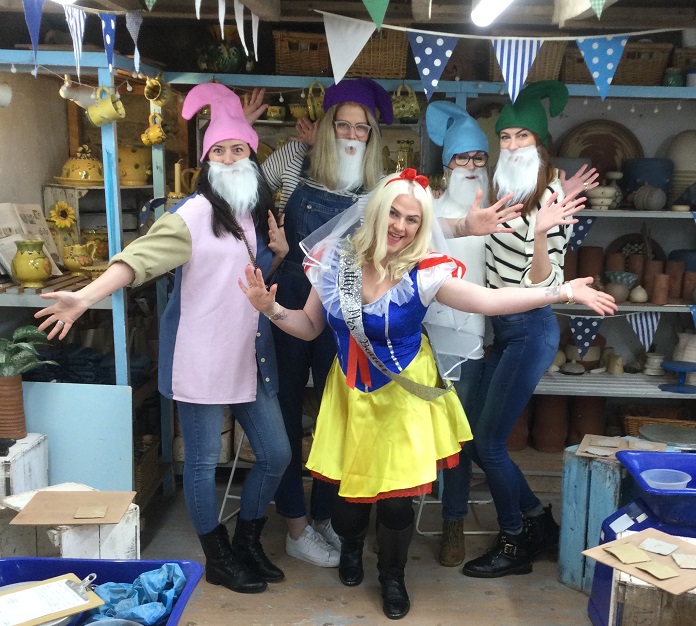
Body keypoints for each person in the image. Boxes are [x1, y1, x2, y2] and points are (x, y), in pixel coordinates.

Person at [239, 168, 616, 619]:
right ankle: (354, 547)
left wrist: (563, 292)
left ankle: (393, 576)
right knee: (347, 507)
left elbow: (489, 301)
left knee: (398, 505)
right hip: (350, 396)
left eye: (413, 219)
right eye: (393, 214)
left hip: (403, 395)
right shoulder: (335, 261)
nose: (400, 226)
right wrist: (273, 309)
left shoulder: (424, 273)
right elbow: (309, 327)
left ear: (422, 226)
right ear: (376, 214)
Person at [34, 83, 292, 595]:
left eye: (237, 148)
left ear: (251, 152)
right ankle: (216, 556)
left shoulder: (252, 209)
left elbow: (245, 278)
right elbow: (138, 259)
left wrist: (279, 253)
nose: (229, 157)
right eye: (218, 150)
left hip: (249, 354)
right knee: (200, 461)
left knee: (277, 453)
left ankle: (247, 542)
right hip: (201, 354)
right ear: (207, 161)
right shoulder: (193, 214)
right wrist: (86, 295)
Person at [460, 80, 597, 579]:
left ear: (541, 144)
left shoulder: (552, 198)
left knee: (491, 444)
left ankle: (516, 543)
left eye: (523, 137)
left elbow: (545, 282)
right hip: (499, 328)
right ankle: (539, 521)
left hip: (531, 327)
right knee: (476, 440)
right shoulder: (501, 190)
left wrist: (542, 234)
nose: (514, 145)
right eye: (507, 137)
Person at [259, 78, 394, 568]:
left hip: (345, 303)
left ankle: (324, 520)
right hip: (293, 295)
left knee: (338, 413)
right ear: (326, 127)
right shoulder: (296, 161)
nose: (352, 135)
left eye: (362, 128)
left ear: (372, 136)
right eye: (343, 125)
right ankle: (295, 526)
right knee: (289, 411)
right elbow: (247, 183)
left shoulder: (378, 187)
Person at [423, 99, 521, 568]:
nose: (470, 166)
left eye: (478, 158)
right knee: (411, 434)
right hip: (421, 342)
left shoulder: (501, 215)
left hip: (475, 344)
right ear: (446, 165)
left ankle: (453, 520)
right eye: (461, 158)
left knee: (459, 440)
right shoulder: (425, 211)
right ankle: (394, 515)